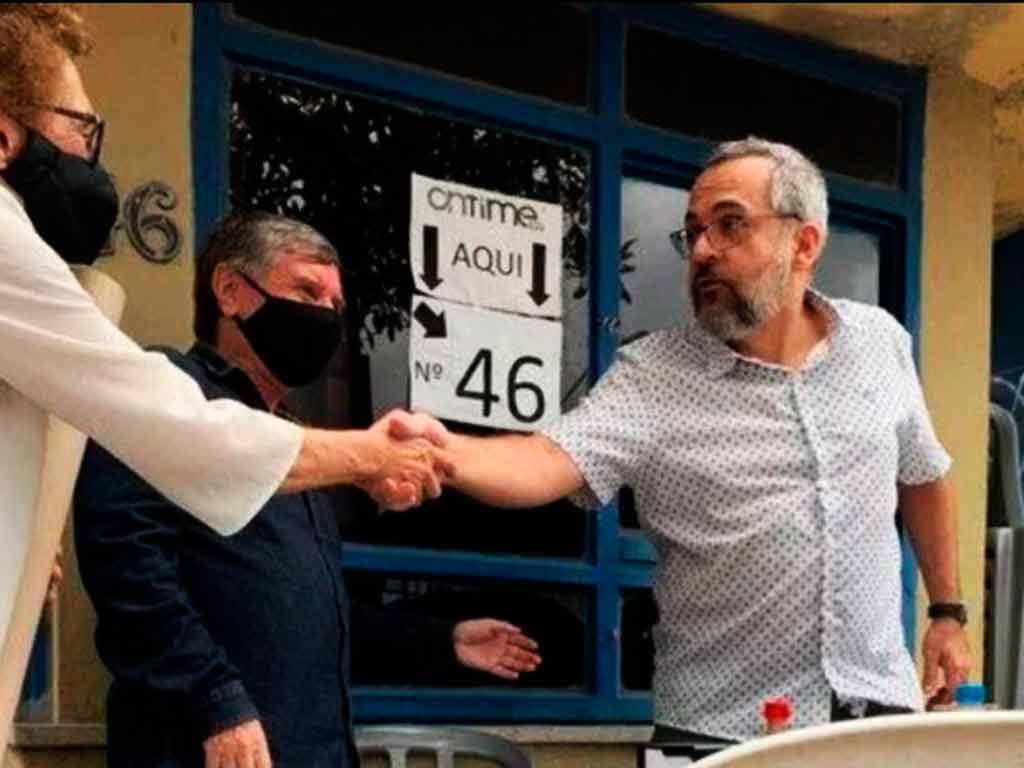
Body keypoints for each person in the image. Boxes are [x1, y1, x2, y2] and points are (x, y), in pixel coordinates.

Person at [384, 137, 973, 743]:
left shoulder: (878, 342)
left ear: (804, 243)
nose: (702, 250)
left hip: (875, 717)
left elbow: (923, 473)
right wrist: (443, 451)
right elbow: (546, 459)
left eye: (730, 225)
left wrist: (947, 613)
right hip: (714, 732)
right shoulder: (653, 374)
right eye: (692, 232)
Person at [0, 4, 449, 659]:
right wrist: (370, 455)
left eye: (336, 303)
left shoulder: (287, 424)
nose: (91, 157)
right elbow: (177, 431)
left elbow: (314, 614)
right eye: (81, 128)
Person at [74, 211, 541, 768]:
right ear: (230, 291)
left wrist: (443, 641)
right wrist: (215, 703)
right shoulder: (169, 395)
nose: (325, 316)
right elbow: (127, 571)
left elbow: (310, 618)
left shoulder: (301, 447)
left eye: (334, 304)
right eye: (307, 291)